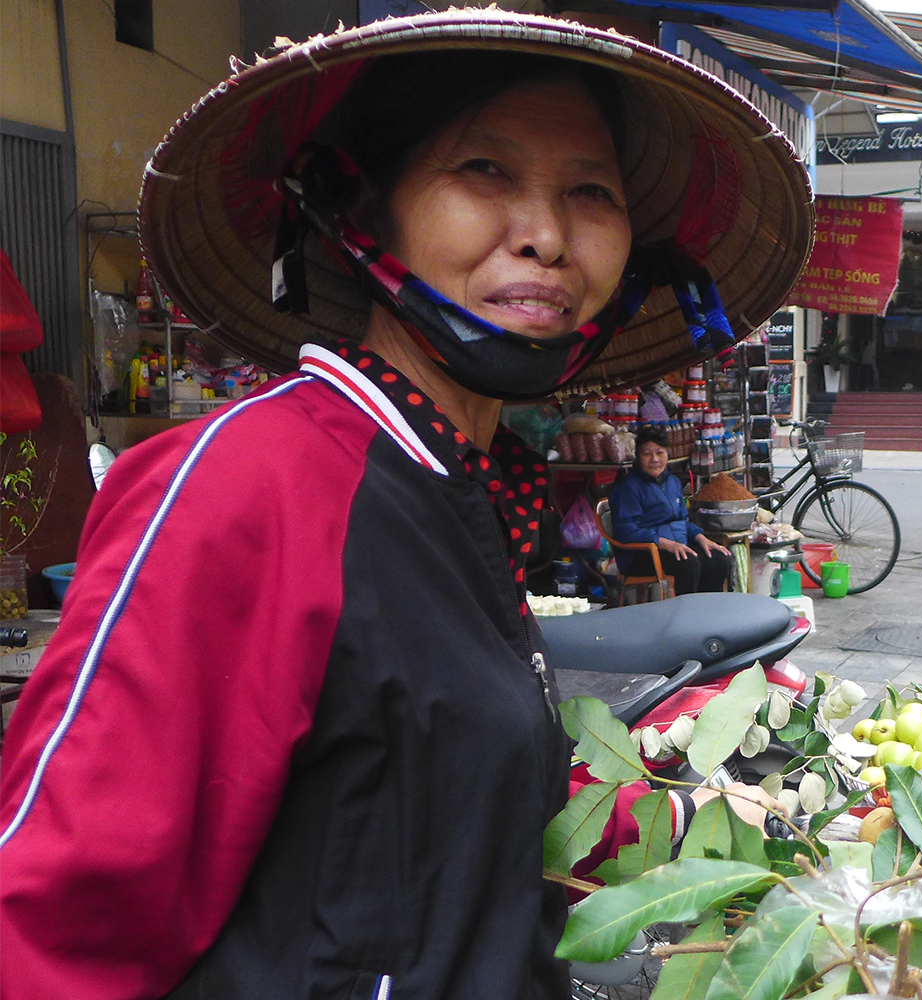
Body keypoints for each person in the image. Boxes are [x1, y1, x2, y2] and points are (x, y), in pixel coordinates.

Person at [0, 11, 809, 999]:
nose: (548, 236)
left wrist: (679, 823)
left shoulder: (456, 483)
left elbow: (447, 789)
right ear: (358, 207)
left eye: (589, 190)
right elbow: (50, 929)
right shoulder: (242, 487)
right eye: (484, 171)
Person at [610, 426, 734, 594]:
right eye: (647, 454)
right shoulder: (629, 487)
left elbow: (683, 520)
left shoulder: (672, 482)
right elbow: (626, 530)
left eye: (659, 453)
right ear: (638, 458)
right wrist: (665, 543)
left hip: (677, 543)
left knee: (719, 559)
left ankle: (707, 614)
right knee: (689, 563)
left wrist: (701, 538)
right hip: (642, 553)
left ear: (667, 454)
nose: (654, 459)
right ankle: (684, 616)